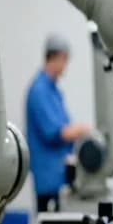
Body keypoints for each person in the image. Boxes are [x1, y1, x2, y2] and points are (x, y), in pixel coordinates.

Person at [25, 34, 91, 212]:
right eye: (65, 60)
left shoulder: (53, 90)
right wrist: (83, 130)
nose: (65, 67)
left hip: (58, 178)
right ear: (55, 57)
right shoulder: (40, 90)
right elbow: (54, 132)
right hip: (49, 179)